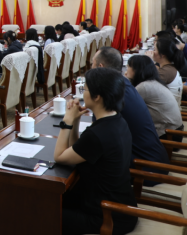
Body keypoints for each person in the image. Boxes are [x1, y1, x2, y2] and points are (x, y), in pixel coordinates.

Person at [55, 68, 138, 235]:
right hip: (120, 206)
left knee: (40, 212)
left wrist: (67, 121)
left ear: (97, 96)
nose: (82, 93)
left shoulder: (97, 134)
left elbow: (59, 157)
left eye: (85, 89)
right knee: (54, 200)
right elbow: (78, 151)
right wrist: (76, 120)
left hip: (107, 216)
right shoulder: (117, 121)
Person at [91, 47, 170, 167]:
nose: (91, 67)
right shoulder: (123, 83)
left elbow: (96, 135)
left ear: (100, 67)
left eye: (93, 63)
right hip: (154, 157)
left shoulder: (112, 94)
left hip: (145, 166)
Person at [126, 55, 183, 139]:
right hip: (174, 130)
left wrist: (126, 80)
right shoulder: (153, 82)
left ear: (137, 70)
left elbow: (126, 106)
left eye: (128, 66)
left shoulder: (144, 86)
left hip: (167, 134)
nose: (126, 69)